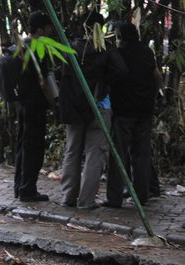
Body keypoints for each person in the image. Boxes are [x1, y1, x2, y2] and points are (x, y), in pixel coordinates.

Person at [58, 12, 128, 210]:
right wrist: (105, 83)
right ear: (102, 27)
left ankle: (68, 197)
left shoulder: (71, 48)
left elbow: (62, 78)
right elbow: (122, 71)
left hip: (75, 108)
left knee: (72, 151)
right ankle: (86, 201)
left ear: (82, 26)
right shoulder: (105, 48)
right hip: (99, 106)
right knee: (94, 154)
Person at [103, 22, 163, 208]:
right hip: (144, 111)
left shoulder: (118, 55)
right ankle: (141, 195)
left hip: (123, 112)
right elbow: (157, 77)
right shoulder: (146, 52)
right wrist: (154, 96)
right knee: (142, 154)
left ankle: (114, 198)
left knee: (118, 155)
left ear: (120, 37)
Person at [13, 11, 53, 202]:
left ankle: (19, 187)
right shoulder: (38, 47)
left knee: (22, 145)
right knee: (34, 148)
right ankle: (28, 189)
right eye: (48, 27)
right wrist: (53, 102)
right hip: (35, 104)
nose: (50, 30)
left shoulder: (21, 46)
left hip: (21, 103)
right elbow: (43, 82)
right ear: (40, 29)